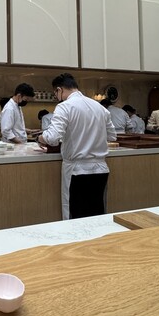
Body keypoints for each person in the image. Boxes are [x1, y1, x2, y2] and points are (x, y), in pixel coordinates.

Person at [37, 73, 116, 220]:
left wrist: (40, 137)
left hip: (77, 171)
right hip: (101, 169)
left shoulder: (64, 107)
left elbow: (52, 138)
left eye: (55, 93)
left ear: (59, 90)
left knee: (76, 218)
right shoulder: (99, 107)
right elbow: (112, 135)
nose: (56, 97)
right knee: (97, 215)